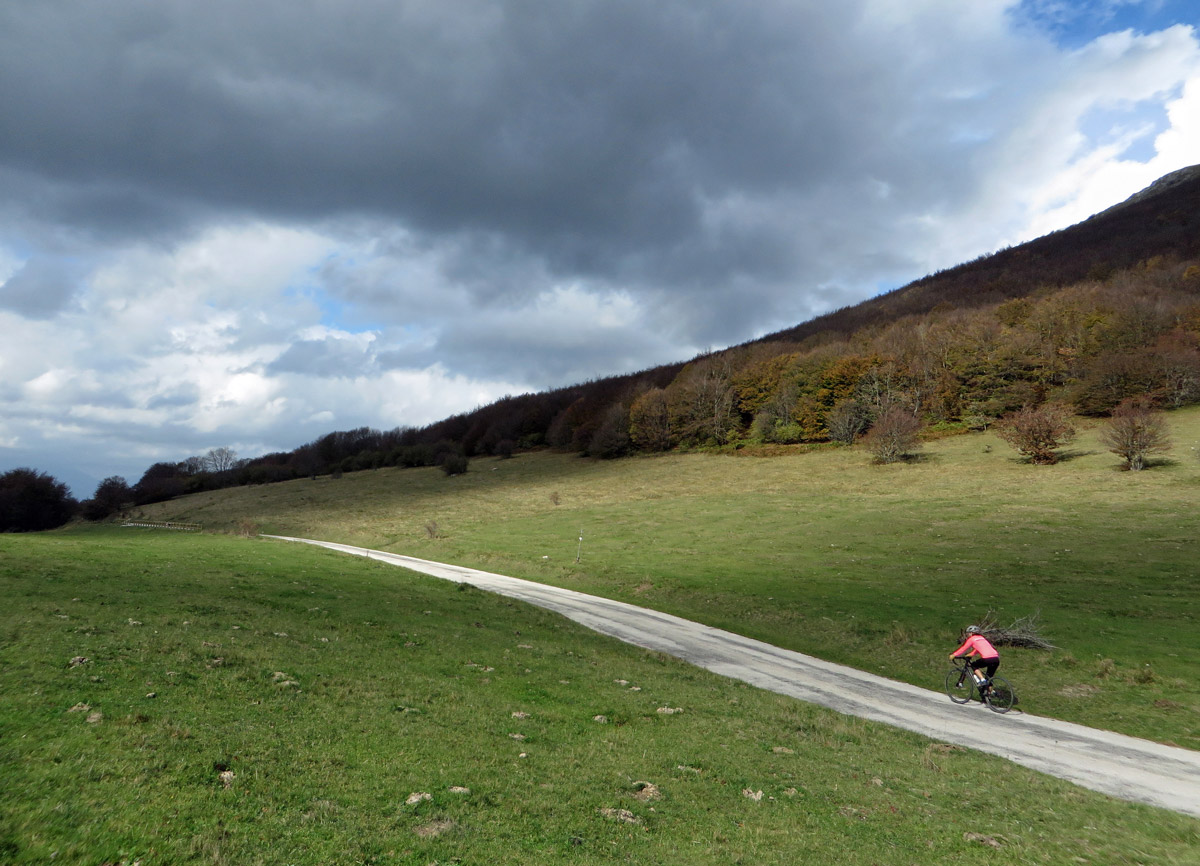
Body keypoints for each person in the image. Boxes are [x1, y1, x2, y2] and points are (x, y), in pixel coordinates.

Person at [950, 625, 999, 699]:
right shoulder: (982, 638)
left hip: (987, 658)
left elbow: (964, 648)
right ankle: (989, 694)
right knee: (989, 678)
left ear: (971, 633)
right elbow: (978, 649)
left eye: (968, 633)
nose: (967, 635)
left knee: (974, 665)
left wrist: (954, 654)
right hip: (996, 659)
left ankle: (982, 680)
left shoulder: (972, 639)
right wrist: (971, 654)